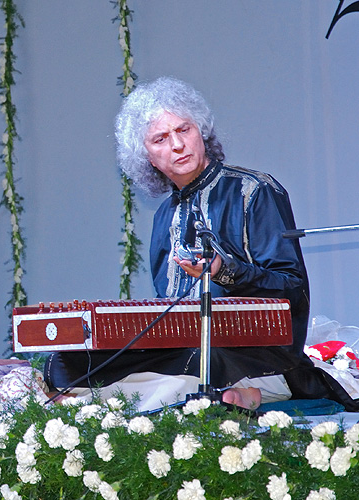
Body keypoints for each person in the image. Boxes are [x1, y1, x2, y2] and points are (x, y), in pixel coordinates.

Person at [45, 77, 357, 412]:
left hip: (251, 350)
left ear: (202, 132)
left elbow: (293, 290)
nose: (177, 145)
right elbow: (170, 308)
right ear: (147, 156)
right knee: (67, 364)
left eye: (184, 130)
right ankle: (230, 395)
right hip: (187, 349)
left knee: (196, 367)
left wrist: (225, 271)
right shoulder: (164, 216)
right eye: (161, 139)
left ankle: (243, 392)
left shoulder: (253, 191)